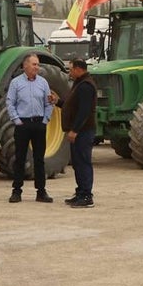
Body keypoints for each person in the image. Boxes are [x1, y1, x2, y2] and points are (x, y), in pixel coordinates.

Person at [5, 53, 54, 203]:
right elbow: (10, 102)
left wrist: (45, 120)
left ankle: (41, 192)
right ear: (25, 66)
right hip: (23, 125)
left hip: (39, 124)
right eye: (34, 65)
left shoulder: (43, 83)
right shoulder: (16, 83)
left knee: (39, 159)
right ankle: (17, 191)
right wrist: (17, 120)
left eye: (38, 65)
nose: (37, 68)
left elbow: (49, 102)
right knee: (20, 158)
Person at [50, 58, 98, 208]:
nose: (69, 72)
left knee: (83, 163)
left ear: (78, 69)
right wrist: (57, 102)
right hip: (79, 132)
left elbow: (84, 112)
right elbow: (72, 107)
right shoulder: (79, 84)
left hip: (83, 132)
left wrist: (75, 130)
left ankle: (86, 196)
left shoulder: (86, 86)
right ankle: (80, 192)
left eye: (71, 69)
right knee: (77, 163)